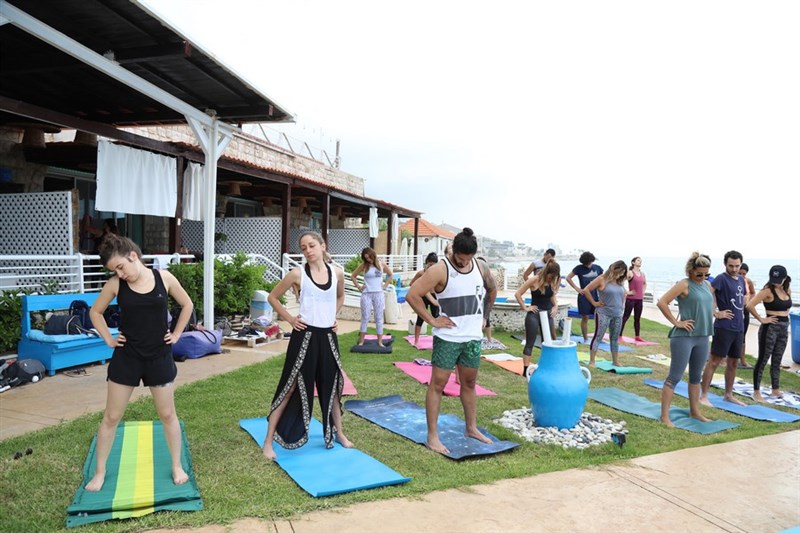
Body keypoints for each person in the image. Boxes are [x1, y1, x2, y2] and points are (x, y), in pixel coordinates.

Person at [84, 235, 194, 491]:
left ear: (133, 256)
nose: (119, 274)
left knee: (168, 414)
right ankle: (100, 472)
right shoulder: (115, 285)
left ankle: (176, 466)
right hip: (127, 357)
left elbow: (186, 304)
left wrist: (176, 334)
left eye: (120, 267)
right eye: (114, 270)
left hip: (159, 356)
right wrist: (109, 340)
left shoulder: (163, 278)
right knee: (112, 416)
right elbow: (95, 312)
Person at [406, 227, 497, 454]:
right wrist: (431, 320)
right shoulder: (440, 269)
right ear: (452, 251)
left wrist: (485, 315)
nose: (464, 263)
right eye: (460, 259)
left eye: (468, 259)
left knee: (469, 384)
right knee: (438, 385)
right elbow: (412, 294)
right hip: (448, 337)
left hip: (471, 338)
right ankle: (432, 436)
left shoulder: (480, 266)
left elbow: (492, 289)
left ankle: (471, 428)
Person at [263, 231, 351, 460]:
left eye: (312, 245)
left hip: (328, 337)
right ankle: (268, 441)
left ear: (322, 246)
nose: (308, 250)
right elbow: (272, 297)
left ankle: (339, 432)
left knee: (331, 387)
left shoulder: (337, 273)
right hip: (304, 337)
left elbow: (340, 297)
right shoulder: (297, 274)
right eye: (303, 248)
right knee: (290, 386)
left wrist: (332, 315)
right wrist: (291, 319)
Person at [656, 252, 714, 427]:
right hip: (684, 337)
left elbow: (706, 306)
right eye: (699, 274)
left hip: (703, 337)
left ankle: (695, 412)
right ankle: (665, 416)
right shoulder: (684, 284)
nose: (702, 277)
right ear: (690, 271)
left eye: (706, 274)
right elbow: (662, 302)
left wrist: (716, 314)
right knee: (674, 377)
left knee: (696, 377)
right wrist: (677, 322)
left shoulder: (707, 285)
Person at [700, 251, 747, 407]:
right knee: (714, 361)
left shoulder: (741, 279)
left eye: (737, 266)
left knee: (733, 362)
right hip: (724, 327)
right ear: (725, 264)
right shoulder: (721, 278)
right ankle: (703, 395)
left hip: (739, 327)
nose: (734, 269)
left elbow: (743, 298)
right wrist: (716, 313)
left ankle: (728, 395)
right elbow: (706, 295)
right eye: (731, 266)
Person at [746, 265, 792, 402]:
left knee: (777, 360)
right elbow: (749, 305)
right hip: (770, 329)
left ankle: (775, 389)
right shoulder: (767, 291)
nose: (776, 282)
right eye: (774, 279)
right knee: (763, 359)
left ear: (785, 278)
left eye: (779, 279)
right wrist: (761, 319)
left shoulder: (787, 289)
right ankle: (756, 392)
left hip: (784, 328)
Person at [515, 260, 561, 377]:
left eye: (554, 277)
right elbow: (518, 294)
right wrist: (525, 307)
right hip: (534, 315)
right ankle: (525, 371)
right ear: (546, 272)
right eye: (551, 277)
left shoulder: (552, 282)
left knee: (548, 343)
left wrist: (555, 306)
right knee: (530, 343)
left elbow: (552, 297)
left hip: (547, 315)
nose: (551, 279)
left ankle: (546, 367)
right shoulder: (534, 280)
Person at [583, 260, 628, 367]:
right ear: (614, 269)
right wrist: (594, 303)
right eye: (620, 272)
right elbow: (586, 290)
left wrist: (622, 306)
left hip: (617, 314)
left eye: (623, 273)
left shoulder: (619, 282)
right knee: (598, 336)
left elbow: (622, 295)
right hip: (603, 313)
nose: (621, 275)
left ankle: (615, 361)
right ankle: (592, 361)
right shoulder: (601, 279)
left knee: (614, 338)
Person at [350, 247, 393, 347]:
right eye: (366, 258)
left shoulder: (381, 264)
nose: (368, 259)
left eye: (369, 257)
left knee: (379, 318)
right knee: (365, 317)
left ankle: (380, 342)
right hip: (366, 294)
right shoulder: (364, 265)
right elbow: (353, 276)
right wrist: (359, 287)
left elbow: (390, 274)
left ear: (373, 255)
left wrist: (385, 285)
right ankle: (361, 341)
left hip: (378, 294)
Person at [565, 251, 603, 342]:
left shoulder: (598, 268)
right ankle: (585, 339)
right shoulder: (579, 268)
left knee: (599, 317)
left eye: (590, 263)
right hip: (584, 296)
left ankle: (598, 338)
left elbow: (604, 279)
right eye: (586, 264)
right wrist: (577, 288)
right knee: (585, 317)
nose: (588, 265)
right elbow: (568, 278)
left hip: (596, 295)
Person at [409, 252, 441, 346]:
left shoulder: (437, 274)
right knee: (420, 318)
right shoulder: (421, 273)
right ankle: (416, 341)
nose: (431, 266)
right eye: (430, 264)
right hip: (423, 297)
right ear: (426, 263)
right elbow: (411, 284)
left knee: (437, 318)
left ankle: (437, 341)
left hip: (434, 297)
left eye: (433, 265)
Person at [621, 256, 647, 341]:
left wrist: (643, 292)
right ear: (633, 262)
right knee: (625, 317)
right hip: (631, 299)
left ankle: (637, 336)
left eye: (640, 261)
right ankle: (619, 335)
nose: (640, 262)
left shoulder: (642, 274)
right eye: (638, 260)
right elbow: (620, 282)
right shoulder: (630, 273)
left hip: (639, 299)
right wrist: (627, 292)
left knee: (637, 318)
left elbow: (644, 284)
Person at [738, 263, 756, 369]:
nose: (741, 275)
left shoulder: (748, 281)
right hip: (734, 310)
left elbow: (753, 293)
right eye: (739, 273)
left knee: (743, 336)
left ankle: (743, 360)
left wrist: (749, 301)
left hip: (745, 311)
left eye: (743, 274)